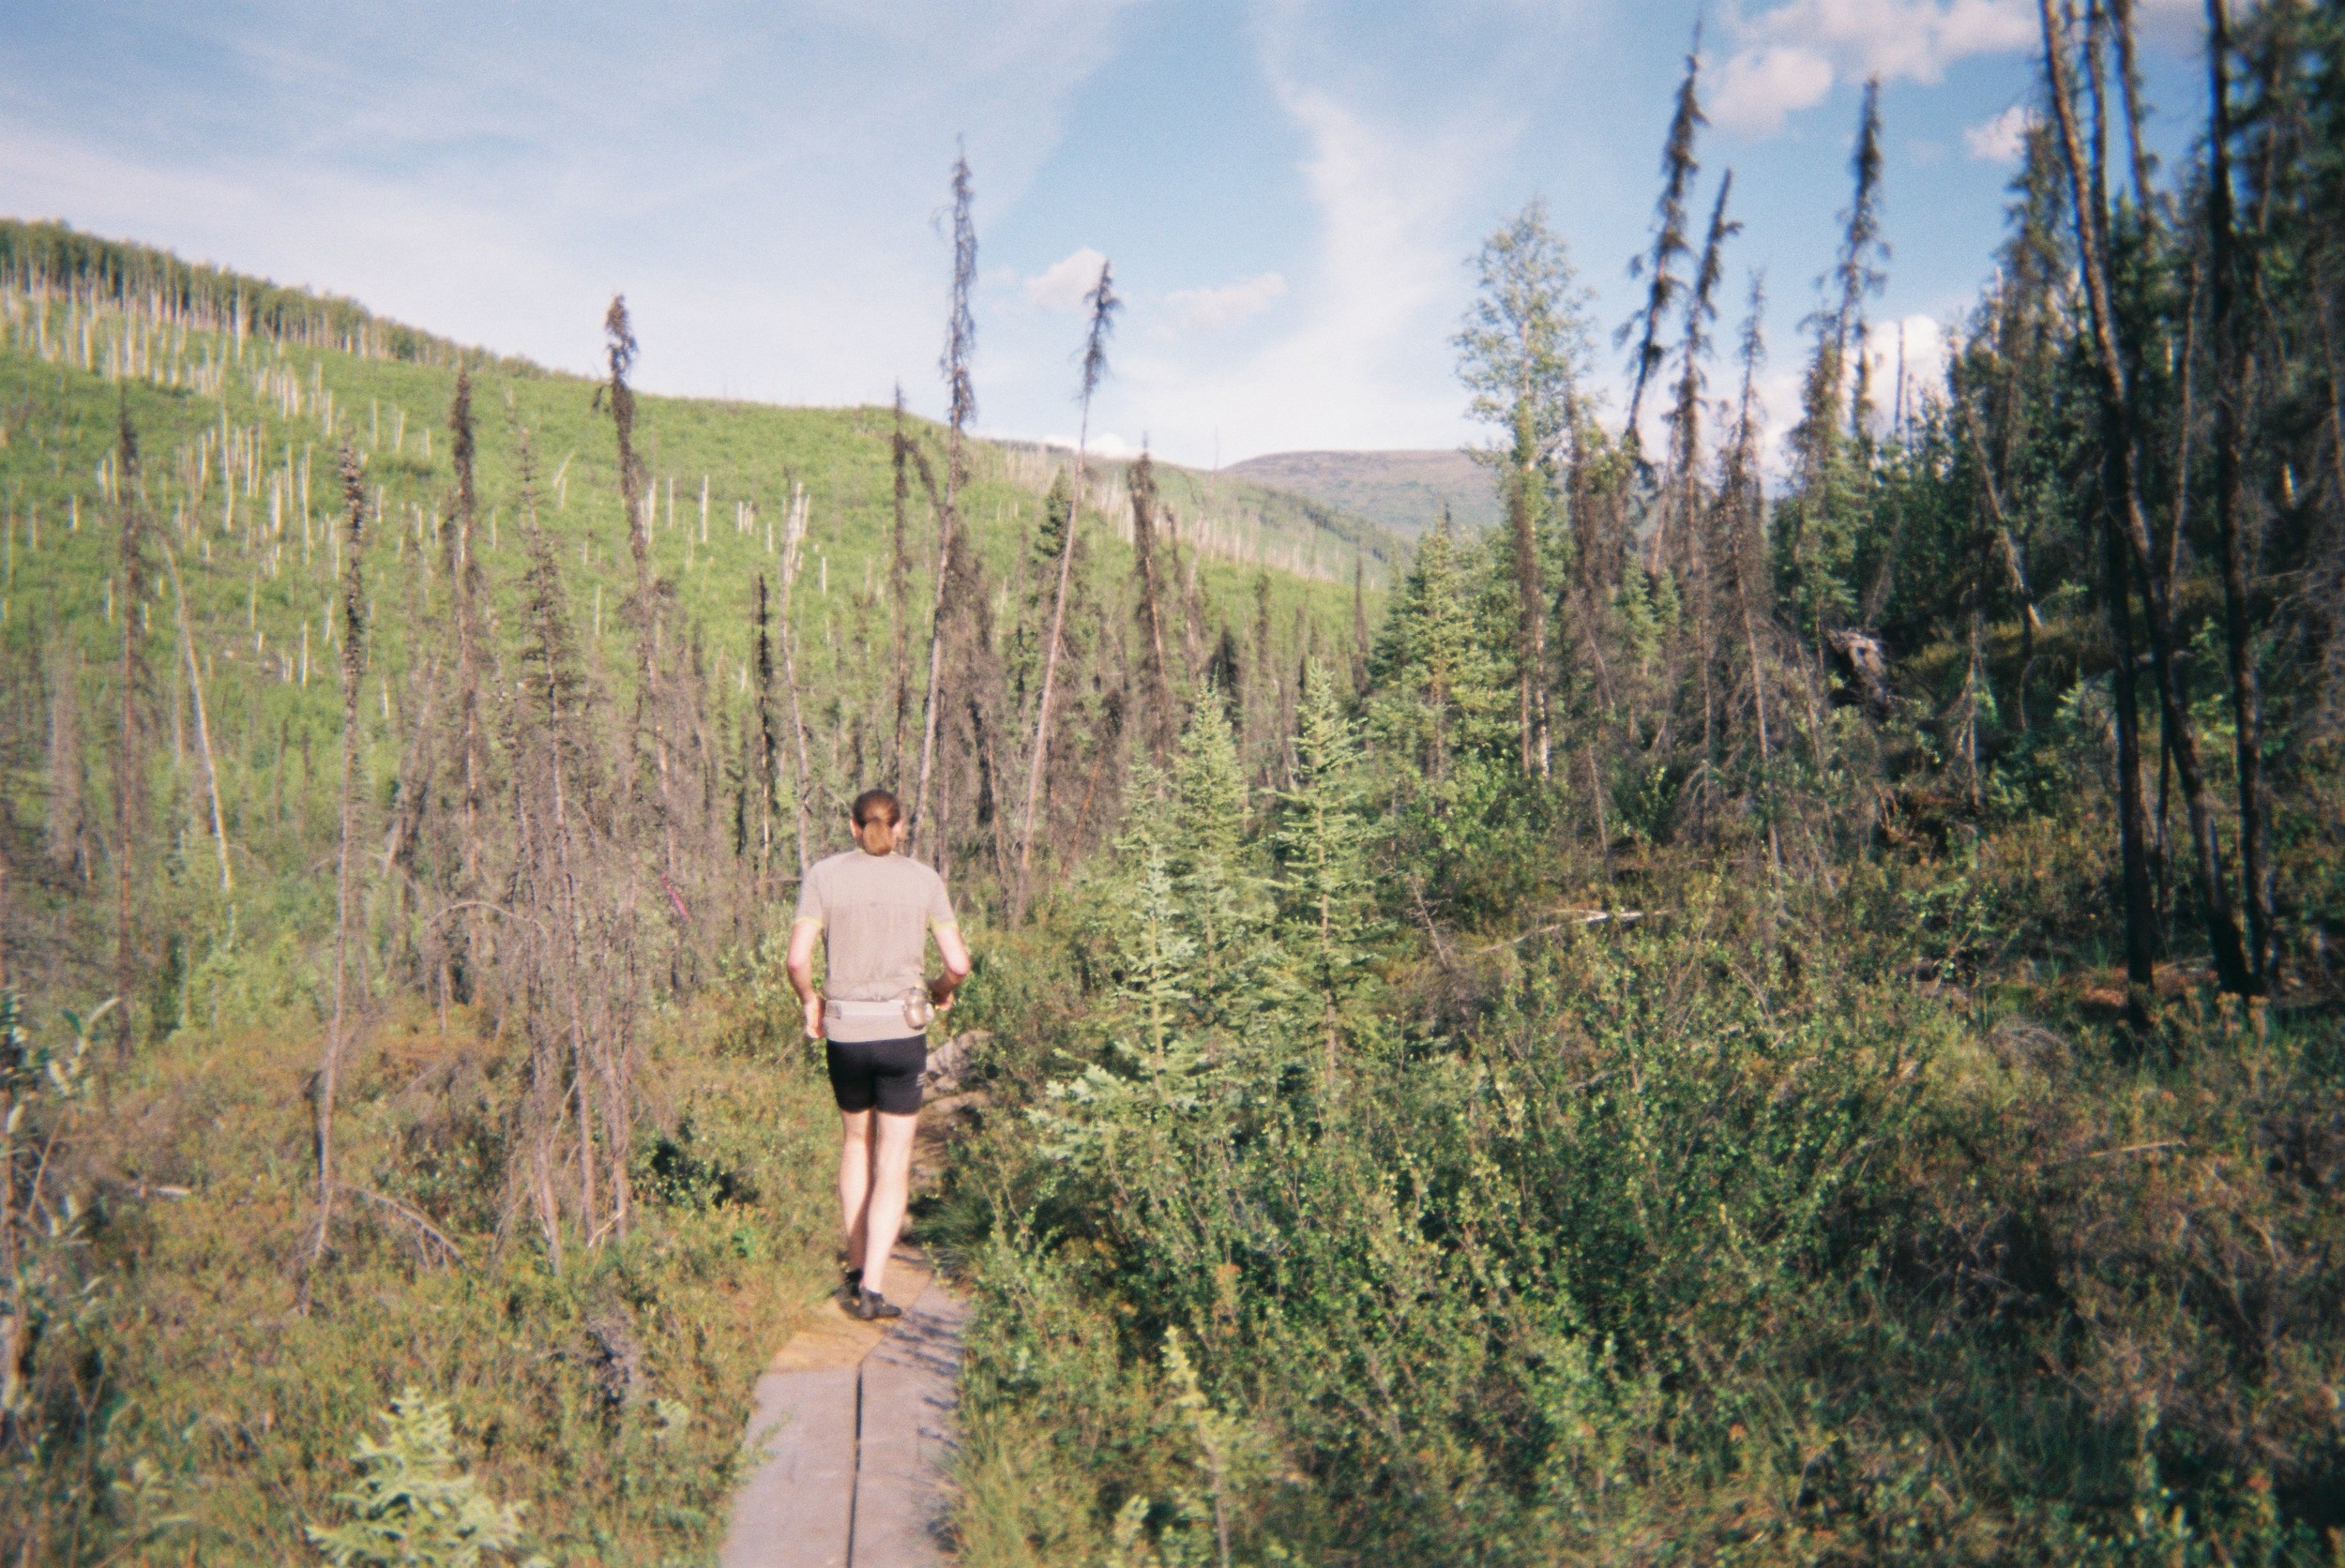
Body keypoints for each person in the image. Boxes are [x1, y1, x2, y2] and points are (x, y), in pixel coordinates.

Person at [786, 788, 971, 1321]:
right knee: (893, 1158)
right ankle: (872, 1286)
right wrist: (939, 988)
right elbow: (958, 963)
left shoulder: (824, 876)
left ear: (852, 826)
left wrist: (809, 1002)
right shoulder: (924, 880)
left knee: (854, 1144)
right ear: (901, 827)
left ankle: (853, 1265)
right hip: (902, 1033)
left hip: (845, 1033)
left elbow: (798, 957)